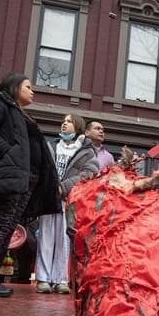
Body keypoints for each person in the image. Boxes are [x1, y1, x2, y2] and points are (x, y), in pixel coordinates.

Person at [0, 73, 61, 297]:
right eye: (28, 87)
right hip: (10, 176)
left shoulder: (20, 113)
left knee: (7, 228)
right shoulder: (1, 106)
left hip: (26, 180)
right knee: (0, 226)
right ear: (14, 87)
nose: (32, 91)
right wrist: (8, 153)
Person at [35, 113, 99, 294]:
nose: (64, 124)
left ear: (78, 127)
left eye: (69, 122)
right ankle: (43, 279)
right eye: (63, 121)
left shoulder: (87, 151)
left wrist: (63, 187)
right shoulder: (51, 146)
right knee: (46, 238)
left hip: (69, 202)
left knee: (64, 240)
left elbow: (89, 173)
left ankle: (61, 279)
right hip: (49, 199)